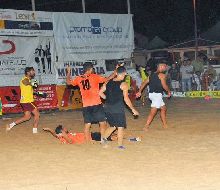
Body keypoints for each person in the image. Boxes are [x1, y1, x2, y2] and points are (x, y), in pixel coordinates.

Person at [66, 62, 117, 143]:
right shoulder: (94, 76)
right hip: (96, 104)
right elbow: (107, 79)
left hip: (86, 105)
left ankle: (88, 142)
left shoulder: (78, 78)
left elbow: (68, 82)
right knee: (102, 122)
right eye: (92, 69)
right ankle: (102, 140)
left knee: (87, 125)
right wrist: (115, 72)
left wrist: (68, 72)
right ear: (90, 69)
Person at [99, 66, 139, 149]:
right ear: (125, 73)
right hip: (117, 108)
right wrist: (133, 109)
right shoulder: (124, 84)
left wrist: (107, 98)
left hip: (107, 107)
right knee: (120, 127)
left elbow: (100, 93)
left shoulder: (108, 82)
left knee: (113, 126)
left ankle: (103, 140)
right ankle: (120, 145)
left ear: (116, 73)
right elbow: (126, 98)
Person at [136, 62, 171, 131]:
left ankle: (165, 124)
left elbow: (144, 83)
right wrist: (169, 91)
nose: (165, 68)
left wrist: (139, 91)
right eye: (164, 66)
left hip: (152, 95)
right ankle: (146, 126)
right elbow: (164, 86)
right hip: (157, 95)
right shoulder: (162, 75)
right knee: (153, 112)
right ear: (160, 67)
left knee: (163, 108)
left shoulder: (151, 75)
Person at [6, 67, 40, 134]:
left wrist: (39, 93)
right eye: (32, 71)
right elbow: (26, 82)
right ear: (28, 72)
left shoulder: (30, 80)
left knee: (27, 117)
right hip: (28, 101)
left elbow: (29, 90)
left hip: (25, 101)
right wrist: (33, 83)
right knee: (37, 114)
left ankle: (10, 125)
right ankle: (35, 129)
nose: (34, 72)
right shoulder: (24, 79)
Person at [43, 125, 117, 144]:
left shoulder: (61, 136)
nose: (66, 128)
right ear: (62, 131)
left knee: (106, 134)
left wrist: (49, 130)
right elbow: (71, 142)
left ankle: (116, 132)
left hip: (90, 134)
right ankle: (117, 132)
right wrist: (64, 135)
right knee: (110, 137)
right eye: (64, 128)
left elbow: (55, 135)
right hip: (91, 137)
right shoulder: (64, 137)